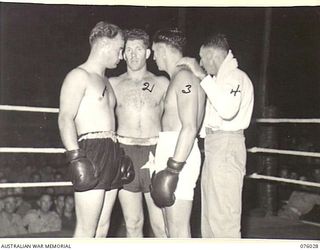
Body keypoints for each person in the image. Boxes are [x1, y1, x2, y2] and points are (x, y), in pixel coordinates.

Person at [58, 21, 132, 237]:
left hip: (112, 149)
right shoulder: (78, 76)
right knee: (86, 229)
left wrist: (118, 154)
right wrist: (75, 157)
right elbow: (65, 118)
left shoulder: (106, 81)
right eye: (119, 49)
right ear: (105, 45)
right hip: (91, 150)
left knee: (102, 227)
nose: (121, 56)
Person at [178, 33, 254, 238]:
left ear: (212, 56)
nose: (201, 64)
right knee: (210, 217)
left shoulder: (235, 77)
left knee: (224, 218)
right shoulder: (219, 80)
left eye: (202, 58)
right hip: (215, 147)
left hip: (227, 146)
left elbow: (227, 110)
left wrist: (201, 77)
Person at [109, 28, 168, 237]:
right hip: (125, 152)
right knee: (133, 223)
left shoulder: (162, 83)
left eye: (138, 49)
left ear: (148, 53)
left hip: (155, 151)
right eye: (129, 49)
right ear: (123, 53)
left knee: (161, 225)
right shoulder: (113, 84)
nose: (133, 54)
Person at [150, 28, 205, 237]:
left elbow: (189, 127)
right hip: (173, 150)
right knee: (170, 229)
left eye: (155, 52)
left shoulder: (184, 78)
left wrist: (173, 169)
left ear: (164, 50)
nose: (154, 57)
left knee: (178, 230)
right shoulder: (180, 78)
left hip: (180, 153)